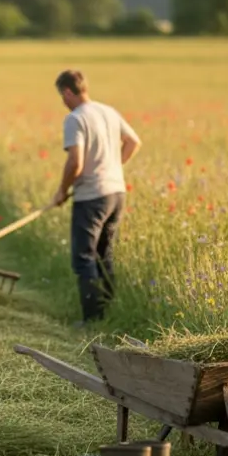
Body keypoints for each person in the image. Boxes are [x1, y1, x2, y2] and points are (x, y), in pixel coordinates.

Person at [50, 69, 142, 323]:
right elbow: (134, 142)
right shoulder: (108, 111)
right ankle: (109, 312)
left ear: (68, 91)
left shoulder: (75, 118)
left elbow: (75, 163)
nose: (62, 101)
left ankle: (91, 318)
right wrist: (112, 168)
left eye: (62, 95)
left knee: (84, 257)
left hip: (91, 197)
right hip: (116, 193)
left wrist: (62, 191)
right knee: (104, 253)